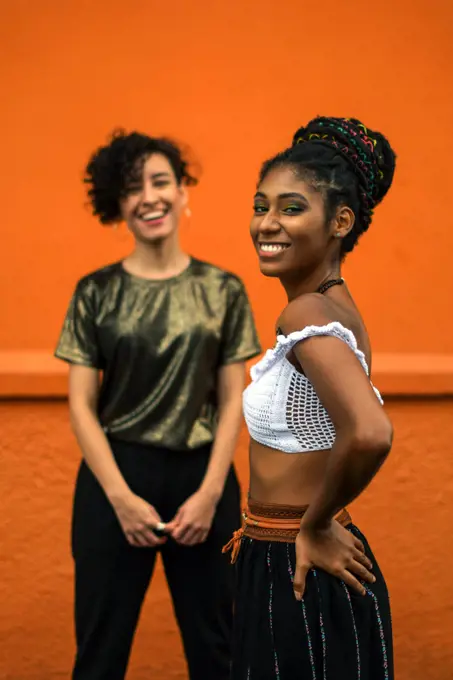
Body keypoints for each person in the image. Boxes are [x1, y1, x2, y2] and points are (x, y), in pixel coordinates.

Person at [54, 130, 261, 680]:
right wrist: (120, 499)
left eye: (161, 181)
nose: (149, 196)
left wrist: (211, 494)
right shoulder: (94, 292)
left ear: (183, 192)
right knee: (99, 653)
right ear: (116, 204)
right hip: (114, 479)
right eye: (132, 187)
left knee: (218, 651)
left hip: (204, 479)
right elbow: (80, 406)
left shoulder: (224, 290)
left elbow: (232, 396)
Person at [224, 116, 396, 679]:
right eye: (260, 205)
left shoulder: (307, 313)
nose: (266, 223)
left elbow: (370, 431)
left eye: (291, 208)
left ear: (340, 221)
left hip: (296, 561)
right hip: (288, 553)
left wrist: (315, 526)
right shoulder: (335, 307)